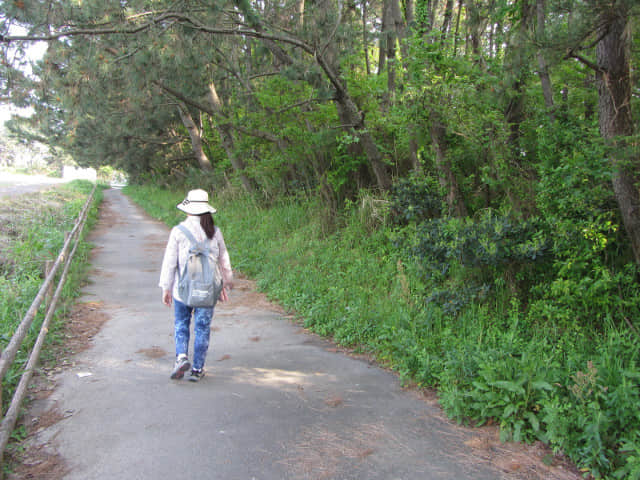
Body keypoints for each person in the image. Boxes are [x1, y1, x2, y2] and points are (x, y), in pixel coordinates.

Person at [159, 189, 233, 382]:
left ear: (188, 209)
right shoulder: (215, 232)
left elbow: (170, 262)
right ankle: (198, 369)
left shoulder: (178, 232)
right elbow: (223, 260)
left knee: (181, 324)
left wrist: (166, 288)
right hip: (208, 291)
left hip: (181, 291)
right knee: (202, 328)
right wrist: (225, 284)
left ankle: (181, 357)